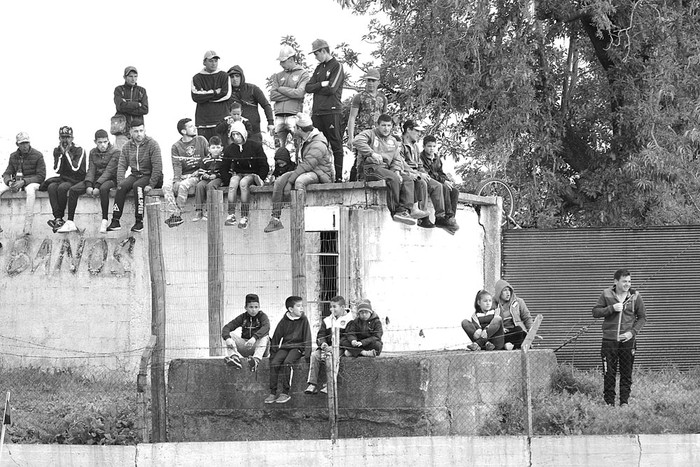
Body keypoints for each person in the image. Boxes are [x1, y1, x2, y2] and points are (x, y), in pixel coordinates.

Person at [263, 113, 334, 233]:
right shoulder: (305, 139)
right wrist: (286, 181)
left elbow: (308, 164)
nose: (294, 129)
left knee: (300, 181)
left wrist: (290, 181)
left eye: (296, 127)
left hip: (320, 173)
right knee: (280, 180)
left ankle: (299, 216)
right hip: (308, 170)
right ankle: (275, 218)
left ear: (300, 129)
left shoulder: (318, 143)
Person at [353, 114, 427, 225]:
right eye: (383, 125)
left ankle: (406, 209)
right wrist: (372, 153)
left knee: (407, 179)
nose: (386, 128)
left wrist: (397, 170)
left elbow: (397, 159)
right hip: (370, 168)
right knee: (393, 178)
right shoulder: (370, 134)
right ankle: (396, 211)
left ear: (392, 126)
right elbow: (357, 141)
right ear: (377, 125)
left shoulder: (393, 141)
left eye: (388, 125)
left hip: (386, 169)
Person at [592, 269, 647, 406]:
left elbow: (642, 318)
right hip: (609, 341)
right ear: (615, 281)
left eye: (629, 281)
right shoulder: (606, 294)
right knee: (608, 373)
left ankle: (624, 402)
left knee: (626, 372)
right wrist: (611, 308)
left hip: (627, 342)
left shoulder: (635, 296)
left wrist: (632, 333)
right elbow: (596, 312)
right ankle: (609, 403)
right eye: (624, 281)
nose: (627, 284)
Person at [106, 118, 162, 233]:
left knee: (138, 187)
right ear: (131, 132)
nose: (139, 134)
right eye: (136, 131)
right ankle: (115, 220)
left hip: (149, 175)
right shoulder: (127, 146)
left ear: (145, 130)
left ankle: (139, 221)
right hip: (135, 174)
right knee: (121, 187)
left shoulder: (152, 144)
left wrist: (151, 184)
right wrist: (121, 181)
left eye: (141, 131)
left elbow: (157, 167)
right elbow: (122, 165)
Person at [59, 130, 119, 234]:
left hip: (110, 179)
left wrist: (97, 186)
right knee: (73, 190)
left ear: (108, 141)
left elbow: (109, 171)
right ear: (95, 142)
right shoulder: (93, 152)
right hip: (96, 179)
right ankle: (70, 222)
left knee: (104, 189)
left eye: (105, 142)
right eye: (100, 142)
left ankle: (104, 220)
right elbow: (91, 170)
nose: (103, 145)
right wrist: (88, 185)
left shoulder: (116, 152)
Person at [305, 39, 345, 182]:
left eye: (316, 54)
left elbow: (332, 88)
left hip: (332, 111)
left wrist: (318, 87)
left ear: (323, 51)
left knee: (336, 144)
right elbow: (308, 87)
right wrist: (321, 84)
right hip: (317, 112)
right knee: (317, 145)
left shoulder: (337, 66)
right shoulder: (318, 68)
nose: (315, 57)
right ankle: (322, 176)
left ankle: (339, 177)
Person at [221, 121, 269, 229]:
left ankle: (244, 215)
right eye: (233, 135)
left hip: (252, 174)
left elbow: (264, 164)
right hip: (238, 174)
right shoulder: (229, 149)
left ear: (243, 134)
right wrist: (227, 179)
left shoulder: (255, 146)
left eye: (238, 134)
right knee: (233, 182)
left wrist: (260, 179)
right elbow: (224, 167)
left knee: (244, 183)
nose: (236, 137)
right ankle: (231, 214)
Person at [266, 296, 312, 404]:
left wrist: (307, 354)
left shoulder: (304, 320)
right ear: (291, 309)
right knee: (275, 363)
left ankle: (285, 392)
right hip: (285, 347)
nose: (302, 308)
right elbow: (276, 337)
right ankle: (273, 392)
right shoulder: (284, 321)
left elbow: (308, 337)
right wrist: (273, 354)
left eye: (302, 306)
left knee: (287, 362)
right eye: (299, 306)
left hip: (297, 348)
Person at [305, 295, 353, 395]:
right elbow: (321, 334)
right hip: (327, 347)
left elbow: (348, 337)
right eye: (331, 306)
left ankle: (329, 384)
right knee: (314, 355)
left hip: (340, 347)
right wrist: (323, 343)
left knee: (334, 357)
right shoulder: (327, 320)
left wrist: (335, 346)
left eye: (334, 306)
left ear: (343, 307)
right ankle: (312, 384)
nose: (331, 309)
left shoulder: (350, 320)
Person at [164, 118, 208, 227]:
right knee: (166, 186)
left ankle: (178, 213)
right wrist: (177, 180)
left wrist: (200, 171)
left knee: (183, 186)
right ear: (183, 131)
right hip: (183, 175)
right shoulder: (176, 146)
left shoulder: (201, 140)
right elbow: (177, 164)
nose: (194, 128)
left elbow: (208, 158)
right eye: (191, 126)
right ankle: (174, 213)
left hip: (197, 173)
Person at [0, 132, 46, 235]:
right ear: (17, 144)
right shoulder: (13, 156)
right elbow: (7, 173)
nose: (25, 146)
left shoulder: (38, 155)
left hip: (33, 183)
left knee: (30, 190)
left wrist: (24, 182)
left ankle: (28, 226)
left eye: (26, 143)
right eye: (22, 143)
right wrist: (10, 182)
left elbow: (41, 176)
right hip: (19, 182)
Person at [347, 68, 387, 181]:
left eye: (373, 81)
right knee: (360, 159)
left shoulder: (382, 98)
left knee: (377, 158)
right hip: (363, 133)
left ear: (378, 82)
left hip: (378, 134)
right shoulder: (359, 97)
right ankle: (356, 181)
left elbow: (385, 118)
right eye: (368, 80)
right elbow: (352, 117)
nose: (370, 83)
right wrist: (351, 137)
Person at [401, 120, 442, 230]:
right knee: (422, 182)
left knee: (437, 186)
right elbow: (401, 163)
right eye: (417, 131)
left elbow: (419, 164)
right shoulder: (400, 144)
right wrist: (418, 174)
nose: (419, 134)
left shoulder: (415, 147)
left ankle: (441, 217)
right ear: (408, 130)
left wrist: (423, 172)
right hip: (407, 172)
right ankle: (422, 217)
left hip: (418, 173)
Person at [46, 126, 87, 233]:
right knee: (51, 187)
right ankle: (58, 218)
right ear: (59, 138)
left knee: (62, 188)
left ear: (72, 138)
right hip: (64, 178)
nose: (65, 140)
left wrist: (67, 153)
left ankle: (61, 217)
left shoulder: (79, 149)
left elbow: (75, 168)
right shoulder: (57, 150)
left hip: (76, 178)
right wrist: (61, 155)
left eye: (68, 137)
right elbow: (56, 169)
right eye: (62, 137)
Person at [270, 45, 310, 149]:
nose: (281, 64)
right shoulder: (277, 75)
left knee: (299, 147)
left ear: (291, 59)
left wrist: (281, 89)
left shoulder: (303, 73)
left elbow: (300, 93)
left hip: (294, 115)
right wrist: (292, 94)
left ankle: (299, 165)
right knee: (278, 149)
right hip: (278, 116)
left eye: (283, 61)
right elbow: (272, 95)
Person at [221, 293, 271, 373]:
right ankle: (235, 358)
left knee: (265, 336)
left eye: (256, 307)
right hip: (246, 345)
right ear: (246, 308)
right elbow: (226, 327)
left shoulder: (262, 316)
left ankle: (256, 361)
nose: (254, 310)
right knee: (229, 335)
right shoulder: (243, 317)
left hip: (260, 348)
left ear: (259, 307)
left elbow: (266, 327)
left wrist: (254, 338)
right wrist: (227, 339)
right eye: (251, 307)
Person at [226, 65, 275, 144]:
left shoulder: (253, 89)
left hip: (254, 132)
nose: (235, 79)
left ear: (242, 77)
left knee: (257, 155)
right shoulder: (226, 93)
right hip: (235, 134)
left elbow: (266, 105)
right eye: (232, 77)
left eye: (237, 76)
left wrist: (270, 123)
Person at [420, 135, 460, 230]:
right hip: (431, 181)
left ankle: (451, 218)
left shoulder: (437, 158)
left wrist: (447, 180)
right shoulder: (421, 158)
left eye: (434, 146)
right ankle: (444, 217)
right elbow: (428, 174)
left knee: (454, 191)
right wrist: (443, 181)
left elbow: (440, 172)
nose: (432, 149)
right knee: (444, 187)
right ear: (424, 147)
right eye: (429, 146)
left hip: (439, 180)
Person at [191, 50, 231, 141]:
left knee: (222, 150)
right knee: (205, 151)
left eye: (216, 61)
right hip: (203, 121)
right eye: (211, 61)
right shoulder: (196, 78)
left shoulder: (224, 76)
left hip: (221, 120)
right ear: (204, 62)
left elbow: (226, 95)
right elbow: (195, 96)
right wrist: (215, 92)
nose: (214, 63)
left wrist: (205, 96)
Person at [113, 66, 149, 150]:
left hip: (137, 130)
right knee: (121, 158)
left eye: (135, 76)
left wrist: (127, 105)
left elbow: (145, 109)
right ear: (124, 77)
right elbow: (120, 107)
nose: (133, 79)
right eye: (130, 76)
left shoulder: (142, 91)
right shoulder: (119, 89)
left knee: (138, 157)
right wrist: (137, 104)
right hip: (122, 130)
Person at [492, 279, 533, 350]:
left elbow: (527, 318)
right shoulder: (493, 304)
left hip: (517, 332)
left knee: (520, 331)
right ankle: (513, 346)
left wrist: (532, 332)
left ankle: (510, 346)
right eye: (505, 290)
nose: (508, 293)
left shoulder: (519, 302)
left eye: (509, 290)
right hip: (502, 334)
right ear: (499, 292)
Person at [193, 135, 225, 221]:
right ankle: (198, 211)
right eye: (213, 147)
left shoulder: (223, 159)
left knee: (210, 186)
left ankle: (208, 210)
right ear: (209, 149)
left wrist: (216, 175)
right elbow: (201, 171)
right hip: (207, 178)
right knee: (199, 185)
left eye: (218, 147)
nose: (216, 149)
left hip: (218, 179)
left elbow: (226, 171)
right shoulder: (205, 160)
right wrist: (204, 175)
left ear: (221, 148)